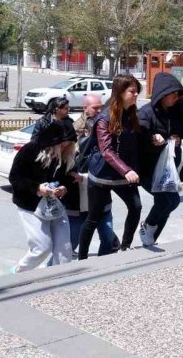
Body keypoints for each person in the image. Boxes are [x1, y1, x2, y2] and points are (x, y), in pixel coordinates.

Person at [76, 74, 144, 259]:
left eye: (137, 90)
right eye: (132, 91)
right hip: (102, 176)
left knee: (136, 207)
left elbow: (136, 140)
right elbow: (107, 151)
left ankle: (125, 247)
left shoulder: (131, 114)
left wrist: (159, 137)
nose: (136, 94)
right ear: (120, 92)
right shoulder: (104, 118)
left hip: (123, 174)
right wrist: (127, 170)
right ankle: (81, 259)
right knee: (93, 217)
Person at [137, 72, 183, 247]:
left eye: (178, 95)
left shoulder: (176, 111)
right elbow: (140, 136)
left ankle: (151, 236)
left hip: (168, 169)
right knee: (164, 201)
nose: (175, 98)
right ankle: (147, 226)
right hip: (149, 168)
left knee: (173, 201)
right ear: (163, 94)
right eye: (173, 95)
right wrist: (154, 140)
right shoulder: (147, 112)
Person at [8, 119, 74, 272]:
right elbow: (15, 178)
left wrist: (64, 188)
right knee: (42, 247)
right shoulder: (31, 149)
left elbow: (67, 177)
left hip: (55, 205)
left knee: (64, 249)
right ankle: (18, 271)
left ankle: (62, 283)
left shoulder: (67, 154)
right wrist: (37, 188)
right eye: (63, 142)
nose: (65, 146)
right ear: (53, 140)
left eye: (69, 142)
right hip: (30, 205)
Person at [71, 95, 120, 256]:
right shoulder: (77, 128)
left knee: (106, 237)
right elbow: (75, 157)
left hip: (100, 187)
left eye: (101, 107)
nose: (99, 111)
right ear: (85, 108)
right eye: (95, 108)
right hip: (80, 193)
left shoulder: (106, 123)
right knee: (72, 241)